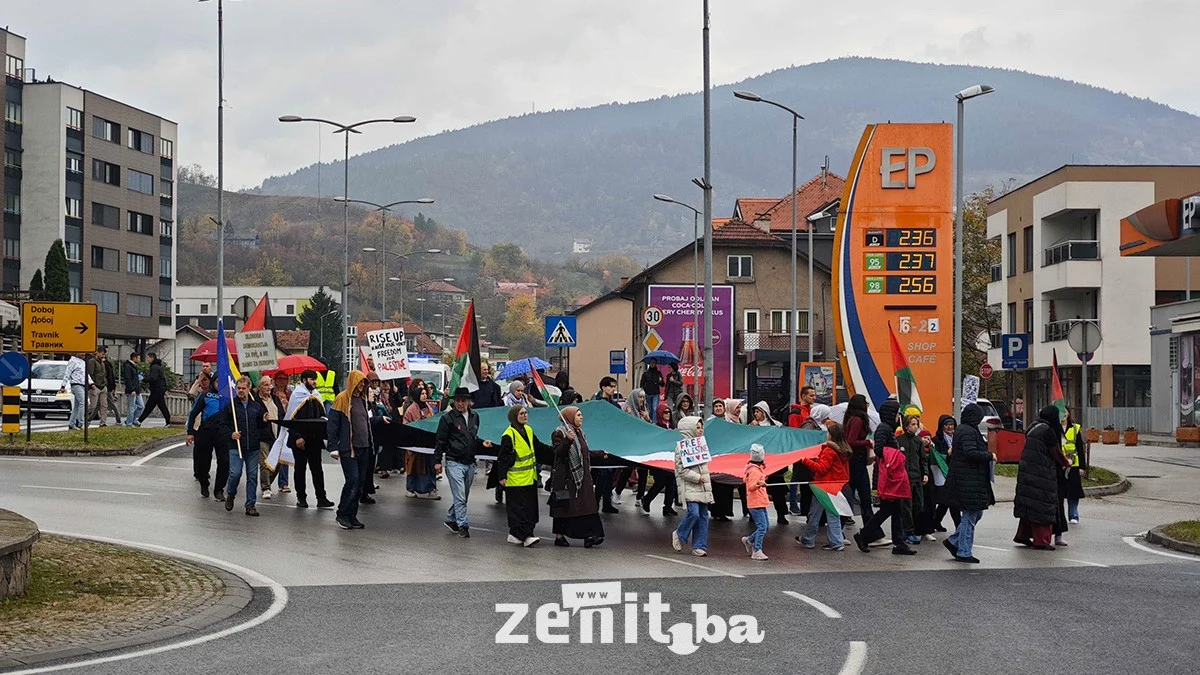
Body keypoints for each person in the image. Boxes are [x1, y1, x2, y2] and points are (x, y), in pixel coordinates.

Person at [434, 387, 494, 538]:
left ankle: (451, 518)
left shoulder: (475, 417)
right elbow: (440, 441)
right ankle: (463, 525)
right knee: (460, 496)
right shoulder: (447, 419)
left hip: (470, 462)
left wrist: (482, 443)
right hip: (454, 461)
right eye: (458, 401)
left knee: (463, 495)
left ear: (469, 402)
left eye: (463, 401)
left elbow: (472, 437)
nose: (460, 404)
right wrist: (437, 461)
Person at [495, 405, 554, 547]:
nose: (525, 415)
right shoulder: (509, 435)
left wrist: (555, 453)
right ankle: (526, 536)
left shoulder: (528, 430)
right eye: (521, 413)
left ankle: (516, 535)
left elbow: (539, 448)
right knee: (519, 511)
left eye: (526, 413)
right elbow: (502, 457)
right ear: (515, 416)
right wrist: (501, 476)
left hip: (530, 478)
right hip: (516, 480)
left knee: (530, 509)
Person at [1014, 405, 1070, 551]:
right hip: (1042, 473)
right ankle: (1042, 540)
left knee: (1029, 505)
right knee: (1042, 506)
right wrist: (1066, 462)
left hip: (1027, 471)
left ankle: (1023, 535)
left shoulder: (1034, 426)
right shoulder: (1048, 430)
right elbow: (1055, 452)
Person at [943, 404, 995, 563]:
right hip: (968, 479)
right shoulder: (967, 431)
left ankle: (954, 541)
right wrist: (989, 455)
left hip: (970, 479)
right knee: (971, 514)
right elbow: (970, 453)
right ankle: (964, 551)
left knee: (975, 513)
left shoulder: (967, 429)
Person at [549, 406, 606, 548]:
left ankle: (590, 535)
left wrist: (600, 454)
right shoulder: (560, 432)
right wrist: (567, 440)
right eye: (578, 415)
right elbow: (558, 453)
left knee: (587, 506)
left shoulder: (580, 432)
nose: (581, 417)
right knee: (565, 506)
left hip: (582, 476)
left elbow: (583, 452)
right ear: (570, 417)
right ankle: (559, 536)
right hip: (567, 477)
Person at [852, 433, 916, 556]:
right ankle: (864, 535)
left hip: (889, 480)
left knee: (895, 512)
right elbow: (880, 452)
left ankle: (899, 543)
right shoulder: (885, 429)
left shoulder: (885, 429)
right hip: (890, 481)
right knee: (886, 511)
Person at [326, 370, 372, 530]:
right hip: (349, 448)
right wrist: (332, 447)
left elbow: (366, 421)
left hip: (364, 447)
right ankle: (342, 514)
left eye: (363, 383)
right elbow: (332, 424)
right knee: (352, 480)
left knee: (359, 484)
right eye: (359, 382)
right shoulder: (342, 399)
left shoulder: (363, 400)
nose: (361, 385)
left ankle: (352, 515)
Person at [797, 422, 851, 551]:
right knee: (833, 515)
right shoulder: (843, 451)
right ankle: (837, 541)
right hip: (835, 486)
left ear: (831, 436)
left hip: (823, 486)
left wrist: (806, 460)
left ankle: (808, 539)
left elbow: (821, 469)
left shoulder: (829, 450)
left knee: (814, 514)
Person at [286, 369, 334, 510]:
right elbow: (291, 419)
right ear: (304, 380)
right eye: (311, 379)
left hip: (314, 440)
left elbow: (321, 417)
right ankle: (301, 498)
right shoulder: (297, 395)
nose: (314, 382)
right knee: (300, 470)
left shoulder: (316, 395)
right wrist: (298, 437)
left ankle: (321, 497)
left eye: (315, 379)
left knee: (317, 470)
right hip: (300, 441)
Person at [224, 376, 265, 517]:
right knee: (235, 473)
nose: (241, 391)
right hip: (236, 446)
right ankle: (231, 493)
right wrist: (231, 434)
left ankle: (250, 505)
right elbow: (222, 425)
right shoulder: (231, 405)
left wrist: (264, 420)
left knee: (252, 476)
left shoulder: (256, 406)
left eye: (243, 388)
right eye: (238, 388)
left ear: (249, 389)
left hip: (252, 446)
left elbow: (261, 425)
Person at [672, 416, 712, 556]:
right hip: (689, 485)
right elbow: (680, 470)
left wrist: (704, 479)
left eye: (701, 428)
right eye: (697, 427)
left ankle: (699, 546)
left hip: (702, 485)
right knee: (693, 513)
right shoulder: (681, 447)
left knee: (703, 515)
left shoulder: (701, 445)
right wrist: (697, 478)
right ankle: (680, 533)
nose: (700, 430)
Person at [186, 378, 230, 502]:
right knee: (203, 461)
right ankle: (204, 483)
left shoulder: (229, 397)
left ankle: (219, 490)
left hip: (222, 433)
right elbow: (193, 413)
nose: (219, 384)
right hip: (206, 432)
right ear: (213, 382)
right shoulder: (205, 396)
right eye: (217, 381)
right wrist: (190, 432)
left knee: (224, 462)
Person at [843, 394, 878, 539]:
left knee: (858, 497)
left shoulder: (852, 419)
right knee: (861, 497)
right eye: (865, 402)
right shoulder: (857, 420)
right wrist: (867, 443)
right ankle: (871, 533)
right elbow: (851, 441)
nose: (867, 404)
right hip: (856, 461)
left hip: (856, 461)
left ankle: (871, 532)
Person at [750, 401, 789, 525]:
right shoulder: (753, 426)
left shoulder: (776, 425)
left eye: (758, 411)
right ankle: (754, 515)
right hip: (758, 464)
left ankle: (781, 514)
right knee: (757, 489)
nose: (756, 414)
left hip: (775, 464)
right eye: (755, 412)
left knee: (778, 490)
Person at [898, 414, 933, 545]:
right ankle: (907, 531)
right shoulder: (899, 440)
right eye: (912, 424)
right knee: (906, 505)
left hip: (916, 477)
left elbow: (923, 459)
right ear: (906, 426)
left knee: (918, 504)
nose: (915, 426)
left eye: (916, 424)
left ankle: (910, 527)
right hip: (904, 478)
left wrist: (925, 473)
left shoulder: (918, 441)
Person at [613, 388, 652, 505]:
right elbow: (623, 427)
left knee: (643, 471)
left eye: (643, 397)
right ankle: (618, 491)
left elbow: (649, 429)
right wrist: (629, 416)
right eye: (640, 397)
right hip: (630, 445)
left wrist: (647, 419)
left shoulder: (644, 411)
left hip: (642, 445)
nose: (642, 400)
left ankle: (640, 497)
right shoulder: (627, 409)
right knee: (628, 469)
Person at [589, 377, 622, 514]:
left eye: (614, 387)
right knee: (602, 473)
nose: (613, 389)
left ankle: (606, 503)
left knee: (609, 473)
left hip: (611, 442)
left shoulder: (615, 406)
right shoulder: (595, 404)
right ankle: (595, 502)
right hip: (598, 444)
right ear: (603, 387)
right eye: (611, 386)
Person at [402, 380, 439, 499]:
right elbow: (406, 424)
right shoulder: (411, 410)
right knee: (413, 466)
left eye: (425, 393)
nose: (424, 395)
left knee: (430, 466)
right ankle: (410, 489)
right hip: (414, 443)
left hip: (427, 442)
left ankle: (431, 489)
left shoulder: (429, 408)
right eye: (422, 393)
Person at [787, 385, 819, 514]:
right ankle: (793, 503)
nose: (814, 397)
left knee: (800, 477)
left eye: (814, 395)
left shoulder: (809, 410)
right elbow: (795, 432)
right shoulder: (796, 412)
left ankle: (798, 504)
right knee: (796, 477)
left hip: (809, 449)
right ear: (803, 396)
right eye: (811, 395)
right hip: (800, 449)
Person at [929, 415, 959, 532]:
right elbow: (938, 458)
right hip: (942, 474)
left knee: (945, 502)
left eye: (951, 424)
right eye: (946, 425)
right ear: (942, 427)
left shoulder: (957, 438)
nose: (949, 427)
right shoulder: (937, 440)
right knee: (948, 501)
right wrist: (948, 454)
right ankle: (958, 525)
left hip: (954, 472)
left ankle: (936, 522)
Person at [741, 444, 771, 561]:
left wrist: (762, 480)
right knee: (762, 527)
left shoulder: (755, 469)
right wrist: (759, 484)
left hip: (760, 501)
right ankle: (757, 550)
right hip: (756, 502)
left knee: (765, 526)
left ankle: (749, 540)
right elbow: (751, 486)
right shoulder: (754, 471)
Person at [255, 376, 282, 500]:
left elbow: (282, 415)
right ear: (259, 387)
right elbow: (253, 416)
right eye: (265, 385)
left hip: (276, 435)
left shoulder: (275, 399)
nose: (268, 387)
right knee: (265, 462)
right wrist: (262, 418)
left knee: (277, 464)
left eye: (269, 385)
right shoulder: (255, 401)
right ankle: (265, 487)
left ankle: (268, 482)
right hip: (263, 435)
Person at [269, 372, 292, 493]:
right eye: (280, 378)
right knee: (272, 454)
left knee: (285, 453)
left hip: (286, 426)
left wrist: (287, 405)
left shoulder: (290, 393)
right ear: (275, 380)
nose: (283, 381)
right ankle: (267, 481)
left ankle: (284, 483)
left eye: (285, 378)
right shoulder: (271, 393)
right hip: (274, 425)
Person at [1063, 409, 1086, 523]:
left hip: (1073, 465)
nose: (1062, 414)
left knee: (1073, 492)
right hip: (1059, 464)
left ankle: (1073, 515)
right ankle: (1059, 517)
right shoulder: (1053, 428)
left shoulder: (1075, 428)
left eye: (1065, 412)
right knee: (1059, 492)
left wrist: (1082, 467)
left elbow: (1080, 448)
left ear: (1068, 414)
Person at [138, 352, 172, 426]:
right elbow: (162, 379)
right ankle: (169, 421)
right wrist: (165, 389)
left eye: (148, 358)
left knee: (149, 406)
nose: (147, 360)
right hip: (159, 389)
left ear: (152, 358)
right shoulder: (158, 367)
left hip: (157, 389)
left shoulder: (154, 367)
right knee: (161, 406)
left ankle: (140, 420)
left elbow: (153, 378)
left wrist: (144, 379)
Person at [61, 352, 88, 430]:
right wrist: (63, 385)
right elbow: (67, 373)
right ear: (76, 353)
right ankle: (80, 423)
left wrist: (91, 383)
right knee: (83, 402)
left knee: (77, 406)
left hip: (83, 385)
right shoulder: (72, 361)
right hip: (76, 384)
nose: (83, 354)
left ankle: (71, 424)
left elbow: (86, 374)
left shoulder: (83, 362)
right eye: (81, 352)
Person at [85, 349, 107, 428]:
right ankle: (87, 421)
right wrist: (92, 384)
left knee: (104, 406)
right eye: (102, 354)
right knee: (93, 407)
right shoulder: (92, 361)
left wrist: (105, 384)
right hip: (95, 386)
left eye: (104, 354)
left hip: (103, 386)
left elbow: (104, 374)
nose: (103, 356)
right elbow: (90, 373)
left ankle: (103, 422)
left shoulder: (102, 363)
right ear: (97, 353)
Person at [122, 353, 144, 428]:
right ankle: (129, 424)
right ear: (134, 358)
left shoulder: (134, 367)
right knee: (131, 407)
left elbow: (134, 379)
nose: (139, 360)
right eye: (138, 358)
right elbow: (128, 379)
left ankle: (130, 420)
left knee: (141, 406)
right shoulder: (128, 366)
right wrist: (132, 390)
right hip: (131, 390)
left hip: (137, 390)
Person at [640, 359, 665, 424]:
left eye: (653, 363)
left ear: (656, 363)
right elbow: (642, 383)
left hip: (656, 393)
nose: (652, 364)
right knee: (649, 409)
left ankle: (654, 423)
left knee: (654, 408)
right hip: (647, 393)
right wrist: (642, 391)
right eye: (651, 363)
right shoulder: (645, 373)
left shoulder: (658, 373)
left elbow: (662, 385)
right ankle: (649, 422)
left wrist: (660, 381)